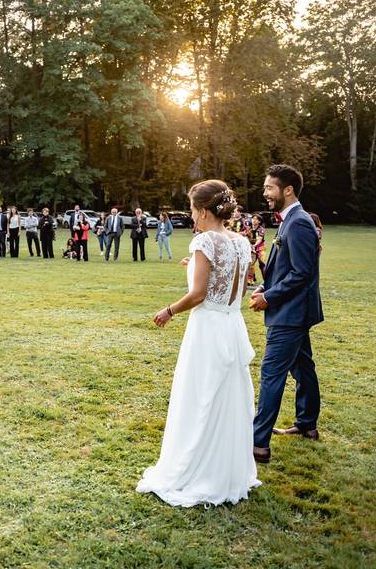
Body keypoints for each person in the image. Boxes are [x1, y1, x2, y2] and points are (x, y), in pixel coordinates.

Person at [139, 179, 258, 507]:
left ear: (205, 211)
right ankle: (228, 471)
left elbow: (200, 294)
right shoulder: (240, 242)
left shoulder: (205, 240)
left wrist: (169, 310)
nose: (191, 217)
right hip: (232, 324)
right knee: (226, 396)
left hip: (207, 327)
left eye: (193, 210)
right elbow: (230, 284)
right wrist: (193, 267)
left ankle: (198, 472)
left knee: (199, 395)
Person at [249, 164, 323, 465]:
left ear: (287, 189)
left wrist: (269, 296)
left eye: (269, 188)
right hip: (292, 311)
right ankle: (307, 425)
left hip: (290, 314)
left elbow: (302, 274)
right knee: (302, 367)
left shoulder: (299, 223)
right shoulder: (289, 221)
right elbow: (284, 268)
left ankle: (258, 444)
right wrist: (264, 286)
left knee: (271, 374)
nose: (265, 193)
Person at [246, 214, 266, 285]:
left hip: (260, 248)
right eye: (253, 218)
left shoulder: (261, 229)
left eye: (256, 219)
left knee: (262, 264)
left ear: (259, 222)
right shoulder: (248, 228)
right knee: (251, 263)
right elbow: (246, 237)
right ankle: (251, 280)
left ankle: (266, 280)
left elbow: (259, 239)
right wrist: (250, 246)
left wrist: (254, 245)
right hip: (251, 247)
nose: (254, 220)